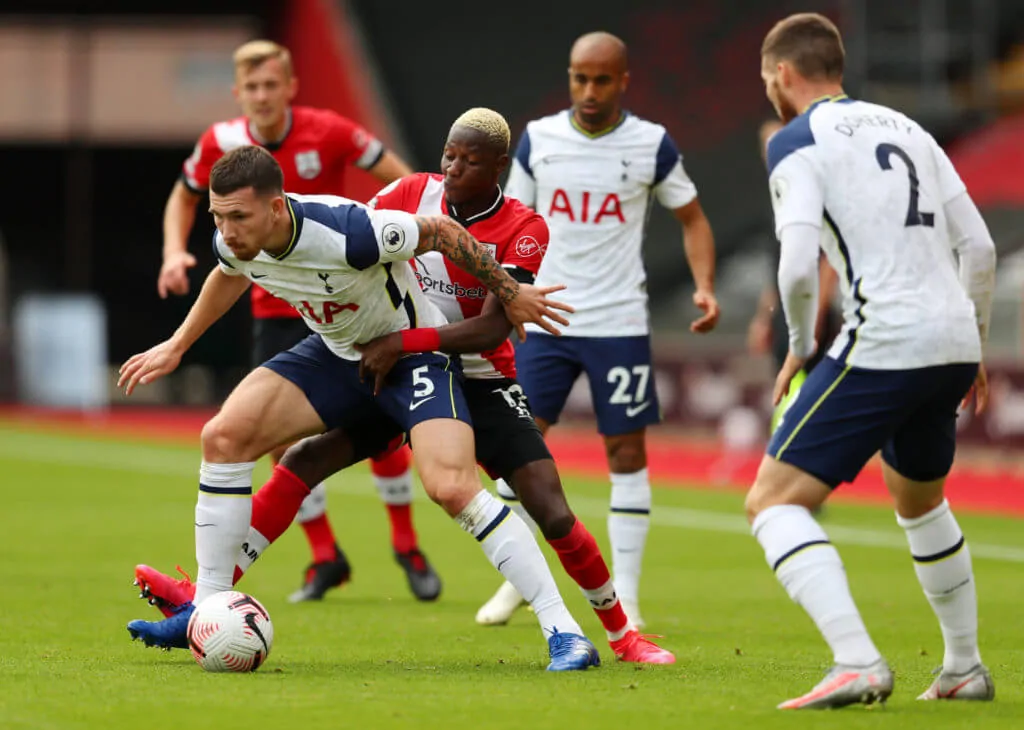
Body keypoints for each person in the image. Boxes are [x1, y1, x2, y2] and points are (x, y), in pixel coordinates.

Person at [131, 109, 675, 664]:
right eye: (449, 155)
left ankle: (591, 632)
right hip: (352, 354)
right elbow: (229, 271)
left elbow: (478, 302)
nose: (453, 167)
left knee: (491, 497)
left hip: (448, 365)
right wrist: (177, 345)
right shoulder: (287, 225)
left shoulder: (500, 227)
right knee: (229, 439)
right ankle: (204, 607)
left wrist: (505, 295)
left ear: (499, 167)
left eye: (469, 160)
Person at [747, 13, 996, 709]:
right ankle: (964, 668)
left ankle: (856, 661)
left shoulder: (796, 139)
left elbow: (798, 262)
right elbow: (979, 248)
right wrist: (973, 341)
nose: (768, 90)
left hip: (886, 337)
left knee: (771, 501)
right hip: (951, 339)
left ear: (784, 74)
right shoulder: (911, 129)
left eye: (767, 79)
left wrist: (800, 345)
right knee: (920, 502)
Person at [156, 39, 433, 604]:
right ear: (237, 93)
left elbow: (403, 180)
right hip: (278, 309)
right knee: (272, 440)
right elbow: (184, 197)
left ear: (290, 87)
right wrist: (173, 252)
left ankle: (406, 543)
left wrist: (398, 236)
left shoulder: (328, 129)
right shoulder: (220, 146)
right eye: (251, 87)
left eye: (270, 85)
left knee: (380, 427)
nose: (261, 96)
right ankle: (323, 555)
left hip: (353, 305)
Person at [478, 31, 720, 629]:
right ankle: (520, 581)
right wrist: (506, 295)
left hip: (618, 321)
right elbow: (514, 222)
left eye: (602, 79)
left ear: (623, 82)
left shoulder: (651, 144)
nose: (589, 90)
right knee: (516, 447)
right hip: (546, 317)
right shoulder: (540, 138)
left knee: (626, 452)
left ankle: (627, 597)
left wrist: (705, 285)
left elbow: (693, 218)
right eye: (579, 78)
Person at [747, 118, 841, 433]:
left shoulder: (812, 195)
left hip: (812, 316)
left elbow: (828, 262)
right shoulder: (775, 200)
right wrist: (764, 317)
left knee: (816, 398)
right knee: (788, 397)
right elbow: (778, 268)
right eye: (766, 146)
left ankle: (799, 451)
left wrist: (817, 314)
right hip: (785, 315)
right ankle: (785, 447)